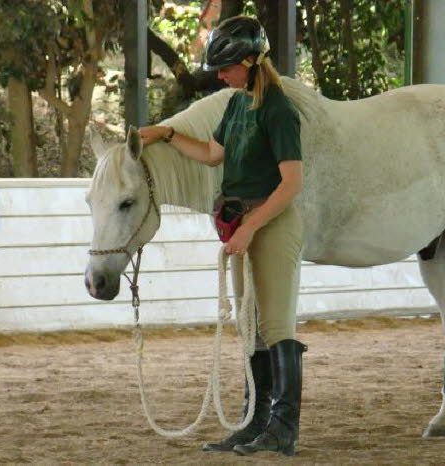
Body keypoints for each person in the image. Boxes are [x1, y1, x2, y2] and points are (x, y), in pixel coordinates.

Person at [138, 16, 306, 457]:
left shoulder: (279, 110)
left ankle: (283, 427)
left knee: (274, 325)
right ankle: (254, 422)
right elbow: (213, 155)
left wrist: (252, 226)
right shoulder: (235, 106)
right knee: (249, 326)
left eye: (228, 66)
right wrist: (168, 134)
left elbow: (291, 183)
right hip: (240, 225)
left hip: (269, 223)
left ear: (252, 61)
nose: (220, 74)